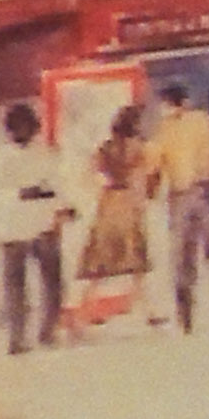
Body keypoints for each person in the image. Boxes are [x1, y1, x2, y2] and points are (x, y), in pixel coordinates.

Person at [150, 84, 209, 330]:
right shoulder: (166, 129)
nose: (163, 110)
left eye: (166, 104)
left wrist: (206, 177)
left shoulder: (199, 122)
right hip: (182, 194)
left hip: (197, 192)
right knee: (184, 254)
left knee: (207, 246)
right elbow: (155, 162)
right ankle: (186, 311)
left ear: (180, 103)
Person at [0, 101, 65, 356]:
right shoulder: (1, 159)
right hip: (12, 227)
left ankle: (47, 331)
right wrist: (20, 193)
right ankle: (17, 337)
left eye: (26, 128)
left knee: (52, 283)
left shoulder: (44, 153)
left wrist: (63, 206)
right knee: (15, 287)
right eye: (17, 129)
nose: (22, 133)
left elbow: (58, 183)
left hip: (43, 223)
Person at [77, 103, 152, 318]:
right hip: (128, 202)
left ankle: (84, 312)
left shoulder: (106, 148)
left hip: (108, 202)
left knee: (100, 262)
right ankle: (145, 309)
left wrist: (103, 186)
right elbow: (140, 179)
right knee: (136, 260)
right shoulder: (138, 148)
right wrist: (142, 203)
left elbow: (88, 174)